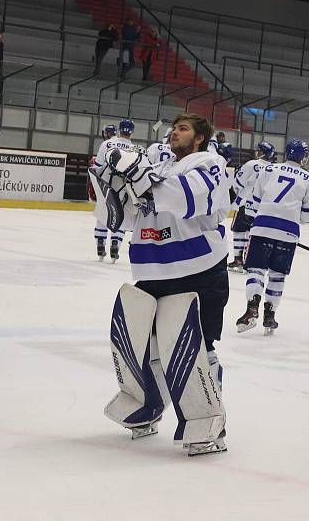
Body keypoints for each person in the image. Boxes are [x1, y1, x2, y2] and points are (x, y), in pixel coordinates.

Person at [91, 113, 231, 455]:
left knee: (198, 347)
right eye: (174, 127)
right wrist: (112, 183)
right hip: (152, 269)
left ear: (199, 137)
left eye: (183, 129)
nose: (174, 133)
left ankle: (209, 422)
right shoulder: (162, 166)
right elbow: (118, 217)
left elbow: (188, 198)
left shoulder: (209, 161)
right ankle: (148, 407)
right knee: (148, 348)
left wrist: (139, 175)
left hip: (198, 268)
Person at [235, 139, 309, 335]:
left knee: (256, 270)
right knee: (277, 275)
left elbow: (253, 202)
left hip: (262, 226)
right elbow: (308, 217)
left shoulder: (269, 170)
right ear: (304, 157)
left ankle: (251, 309)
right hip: (288, 232)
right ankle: (270, 315)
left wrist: (258, 219)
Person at [227, 141, 276, 273]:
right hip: (261, 207)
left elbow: (237, 183)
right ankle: (250, 261)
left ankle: (238, 261)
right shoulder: (274, 169)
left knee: (239, 231)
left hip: (245, 203)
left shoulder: (252, 164)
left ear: (260, 152)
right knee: (253, 234)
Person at [92, 119, 136, 262]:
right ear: (132, 132)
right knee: (121, 213)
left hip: (105, 182)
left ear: (119, 130)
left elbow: (97, 166)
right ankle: (115, 242)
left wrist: (94, 184)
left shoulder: (107, 143)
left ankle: (100, 243)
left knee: (103, 211)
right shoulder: (135, 148)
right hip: (123, 185)